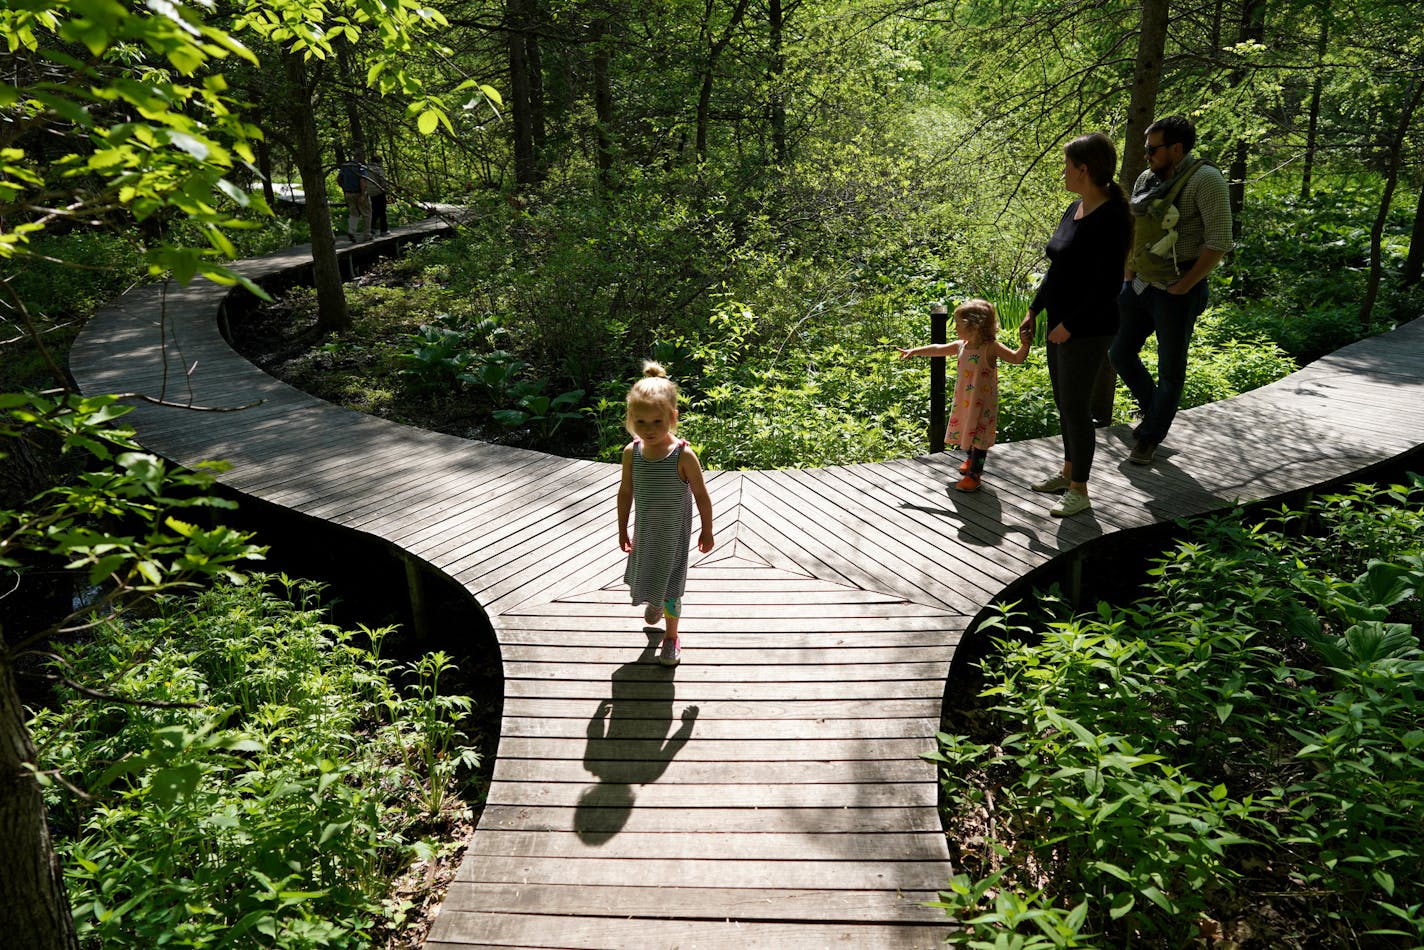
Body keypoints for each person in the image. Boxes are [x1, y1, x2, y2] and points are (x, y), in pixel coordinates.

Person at [1019, 132, 1132, 518]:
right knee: (1064, 404)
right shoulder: (1076, 207)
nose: (1063, 172)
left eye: (1067, 165)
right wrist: (1035, 309)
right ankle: (1068, 474)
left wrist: (1071, 324)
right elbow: (1059, 268)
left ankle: (1080, 491)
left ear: (1084, 169)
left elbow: (1107, 284)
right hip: (1059, 323)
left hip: (1089, 327)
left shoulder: (1113, 217)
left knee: (1077, 407)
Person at [1110, 115, 1233, 466]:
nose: (1147, 155)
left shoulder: (1206, 180)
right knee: (1119, 354)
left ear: (1177, 149)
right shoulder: (1147, 179)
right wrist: (1126, 278)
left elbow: (1220, 242)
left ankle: (1149, 438)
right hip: (1138, 285)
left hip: (1178, 290)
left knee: (1170, 369)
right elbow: (1135, 232)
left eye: (1154, 149)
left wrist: (1183, 287)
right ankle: (1156, 416)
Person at [617, 361, 715, 667]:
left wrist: (707, 530)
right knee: (648, 574)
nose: (649, 430)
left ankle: (671, 637)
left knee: (672, 586)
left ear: (672, 418)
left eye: (657, 422)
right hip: (646, 532)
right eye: (641, 422)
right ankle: (655, 604)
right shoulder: (632, 452)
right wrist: (622, 529)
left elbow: (701, 495)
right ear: (631, 419)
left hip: (673, 537)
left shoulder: (683, 455)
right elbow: (625, 492)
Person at [899, 298, 1032, 492]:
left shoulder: (991, 347)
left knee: (979, 435)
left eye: (958, 324)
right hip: (965, 399)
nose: (954, 328)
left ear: (975, 326)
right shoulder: (962, 345)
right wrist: (914, 351)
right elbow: (938, 349)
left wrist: (1025, 345)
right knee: (968, 428)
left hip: (983, 403)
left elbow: (1016, 358)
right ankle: (970, 459)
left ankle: (974, 475)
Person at [336, 155, 371, 243]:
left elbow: (338, 179)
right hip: (359, 193)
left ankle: (351, 231)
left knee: (353, 213)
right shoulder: (360, 167)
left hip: (349, 193)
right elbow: (362, 180)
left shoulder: (345, 167)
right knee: (366, 214)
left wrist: (344, 188)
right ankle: (367, 235)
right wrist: (363, 195)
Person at [365, 155, 390, 236]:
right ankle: (384, 230)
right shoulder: (378, 169)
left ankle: (371, 228)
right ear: (379, 161)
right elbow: (382, 181)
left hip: (369, 193)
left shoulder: (365, 168)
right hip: (379, 192)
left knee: (373, 211)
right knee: (382, 212)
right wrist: (387, 189)